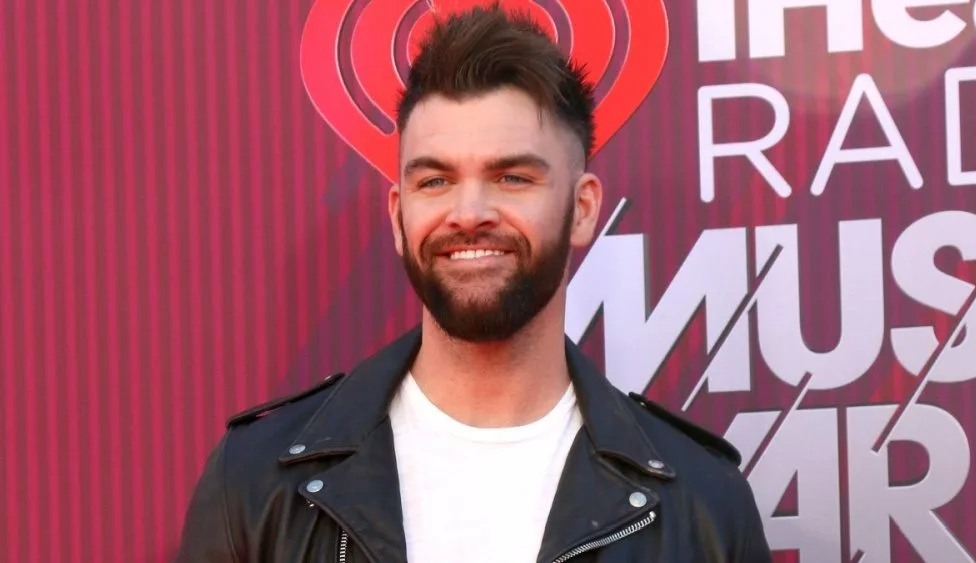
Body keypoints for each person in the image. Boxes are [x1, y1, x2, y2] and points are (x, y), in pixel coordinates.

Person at [174, 4, 772, 562]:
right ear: (397, 214)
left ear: (584, 208)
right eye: (434, 182)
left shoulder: (704, 503)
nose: (468, 211)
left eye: (511, 177)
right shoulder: (256, 481)